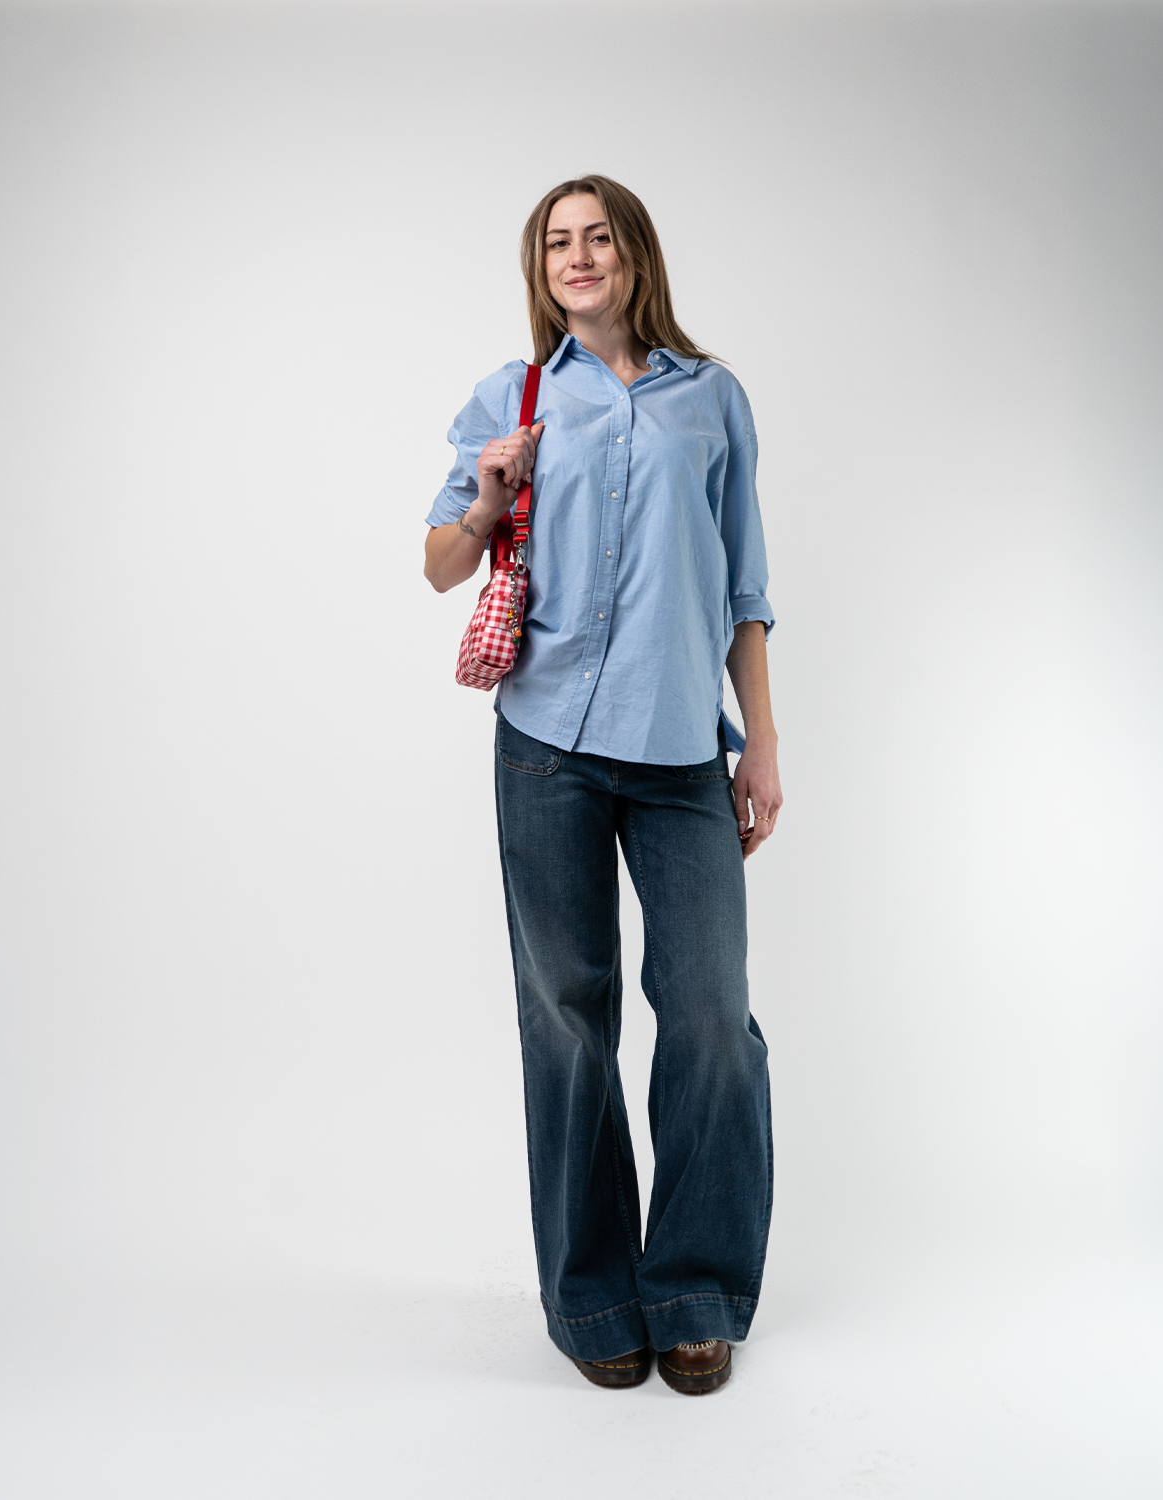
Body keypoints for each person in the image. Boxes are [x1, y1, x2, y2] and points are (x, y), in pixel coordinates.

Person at [423, 175, 781, 1396]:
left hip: (685, 748)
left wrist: (764, 746)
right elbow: (436, 565)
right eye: (557, 243)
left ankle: (695, 1289)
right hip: (547, 748)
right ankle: (592, 1303)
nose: (579, 256)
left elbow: (745, 587)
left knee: (714, 1021)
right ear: (543, 268)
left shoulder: (711, 399)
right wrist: (488, 495)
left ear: (635, 253)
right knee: (568, 1026)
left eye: (599, 236)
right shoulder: (513, 396)